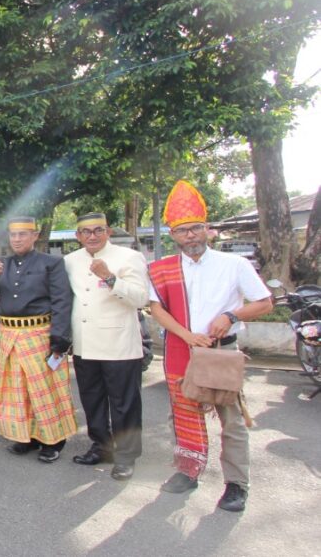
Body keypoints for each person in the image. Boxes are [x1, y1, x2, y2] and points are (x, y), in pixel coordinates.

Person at [148, 180, 272, 512]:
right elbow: (156, 307)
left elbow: (265, 303)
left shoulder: (235, 265)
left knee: (230, 418)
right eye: (183, 230)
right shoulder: (162, 269)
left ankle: (236, 484)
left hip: (220, 352)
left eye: (196, 228)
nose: (190, 235)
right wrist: (187, 335)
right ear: (173, 235)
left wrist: (231, 315)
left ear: (208, 229)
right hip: (182, 350)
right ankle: (188, 471)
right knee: (185, 413)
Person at [0, 216, 76, 463]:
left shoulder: (51, 263)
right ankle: (26, 436)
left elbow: (62, 301)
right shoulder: (1, 264)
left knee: (44, 389)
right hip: (9, 335)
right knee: (17, 390)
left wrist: (60, 338)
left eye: (23, 234)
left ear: (35, 235)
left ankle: (52, 440)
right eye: (13, 235)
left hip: (39, 334)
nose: (17, 239)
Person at [64, 212, 149, 481]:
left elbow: (140, 298)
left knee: (124, 403)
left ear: (108, 232)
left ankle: (126, 456)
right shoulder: (70, 261)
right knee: (92, 400)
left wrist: (110, 278)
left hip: (119, 343)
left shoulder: (128, 257)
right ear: (78, 236)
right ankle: (101, 446)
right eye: (85, 232)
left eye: (97, 230)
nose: (91, 236)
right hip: (84, 343)